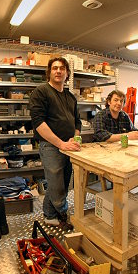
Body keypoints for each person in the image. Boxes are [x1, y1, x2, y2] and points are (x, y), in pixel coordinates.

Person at [28, 57, 81, 231]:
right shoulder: (41, 92)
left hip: (68, 145)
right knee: (57, 183)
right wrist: (60, 144)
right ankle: (62, 214)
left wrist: (75, 138)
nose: (58, 71)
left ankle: (49, 215)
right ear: (49, 72)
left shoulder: (71, 97)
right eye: (54, 68)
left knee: (63, 182)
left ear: (67, 73)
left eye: (62, 68)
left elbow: (77, 123)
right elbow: (38, 123)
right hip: (51, 145)